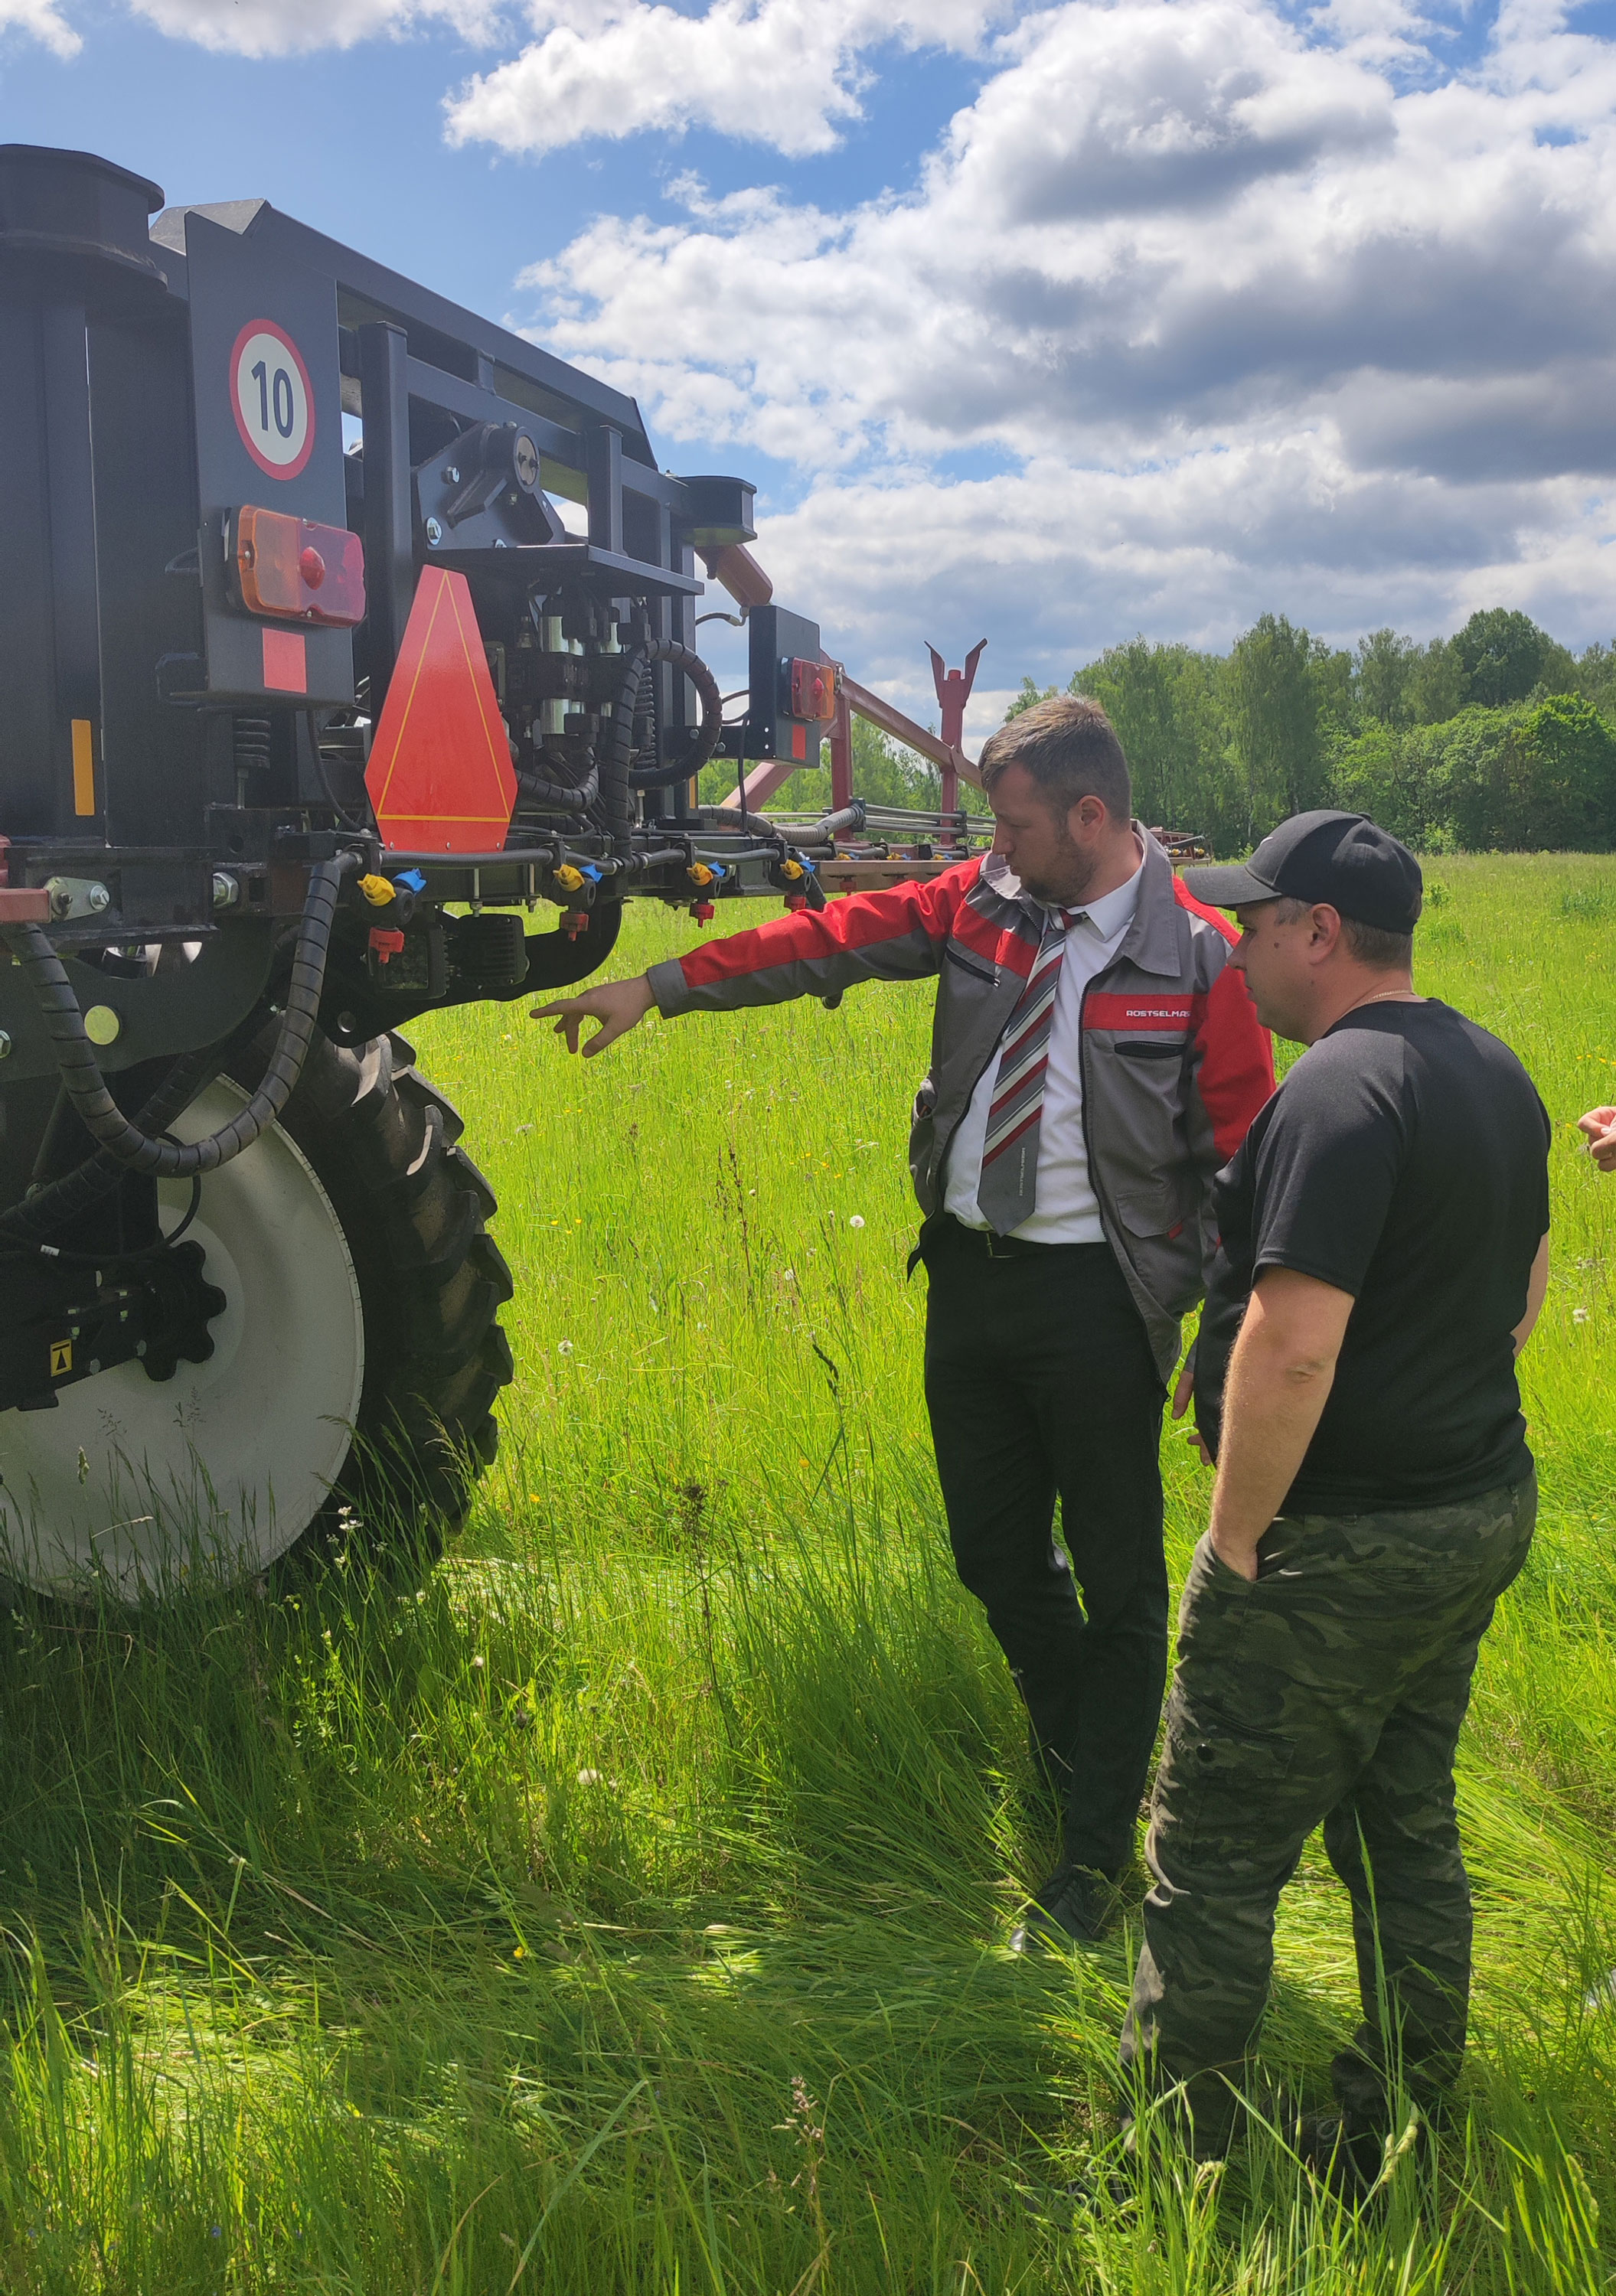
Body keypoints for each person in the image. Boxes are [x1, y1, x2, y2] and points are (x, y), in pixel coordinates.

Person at [532, 694, 1274, 1944]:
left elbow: (1244, 1166)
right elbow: (827, 940)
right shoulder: (981, 904)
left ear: (1092, 816)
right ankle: (1082, 1751)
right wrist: (660, 984)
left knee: (1123, 1583)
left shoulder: (1195, 954)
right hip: (974, 1283)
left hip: (1104, 1304)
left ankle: (1096, 1860)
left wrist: (1223, 1343)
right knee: (994, 1556)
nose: (996, 841)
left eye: (1019, 820)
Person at [1118, 810, 1551, 2180]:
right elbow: (1522, 1285)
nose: (1234, 948)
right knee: (1403, 1822)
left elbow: (1292, 1344)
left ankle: (1167, 2167)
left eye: (1251, 922)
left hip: (1334, 1548)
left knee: (1211, 1862)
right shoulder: (1493, 1071)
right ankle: (1403, 2116)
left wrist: (1236, 1543)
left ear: (1319, 932)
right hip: (1474, 1507)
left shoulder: (1335, 1093)